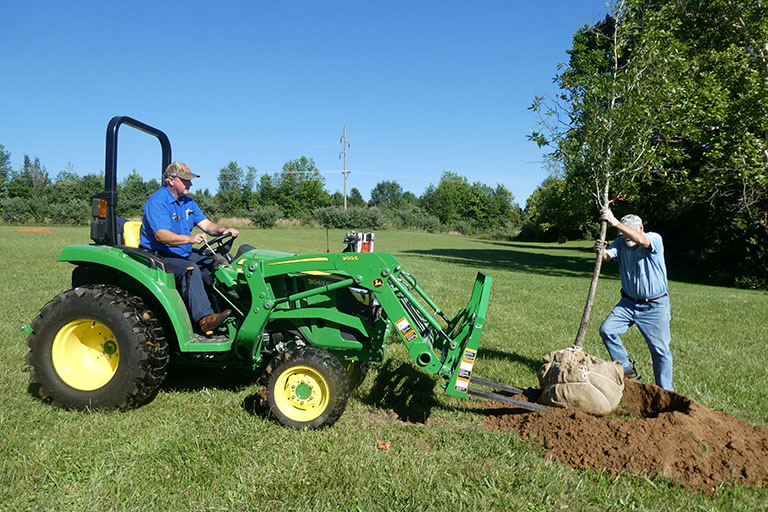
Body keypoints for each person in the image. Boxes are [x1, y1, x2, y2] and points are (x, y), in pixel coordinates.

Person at [139, 161, 239, 335]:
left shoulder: (187, 202)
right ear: (171, 180)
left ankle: (233, 311)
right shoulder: (158, 202)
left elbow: (206, 224)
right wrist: (190, 239)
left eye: (190, 180)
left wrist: (223, 230)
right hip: (160, 254)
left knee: (214, 264)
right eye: (185, 181)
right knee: (190, 269)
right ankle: (205, 320)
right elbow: (161, 236)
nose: (190, 184)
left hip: (182, 252)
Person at [596, 209, 673, 391]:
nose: (626, 236)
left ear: (641, 228)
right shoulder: (621, 242)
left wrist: (615, 222)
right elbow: (608, 256)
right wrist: (600, 251)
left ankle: (666, 392)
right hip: (628, 303)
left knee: (660, 352)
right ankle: (627, 368)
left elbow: (641, 240)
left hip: (654, 305)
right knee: (607, 330)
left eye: (629, 231)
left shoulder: (653, 238)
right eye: (623, 233)